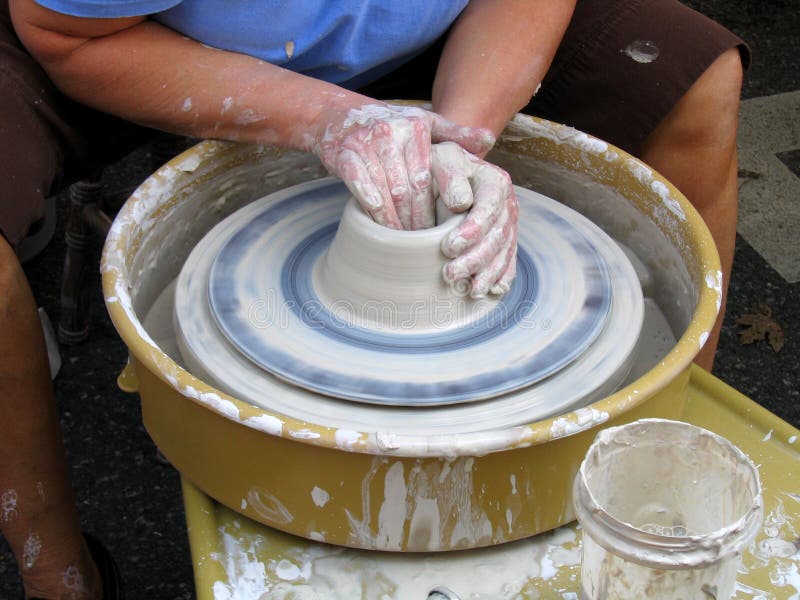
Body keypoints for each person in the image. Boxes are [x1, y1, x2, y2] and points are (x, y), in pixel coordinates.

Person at [2, 0, 747, 597]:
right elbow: (69, 37)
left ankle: (662, 473)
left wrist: (461, 134)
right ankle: (60, 571)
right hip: (147, 43)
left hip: (439, 32)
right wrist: (326, 120)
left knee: (695, 80)